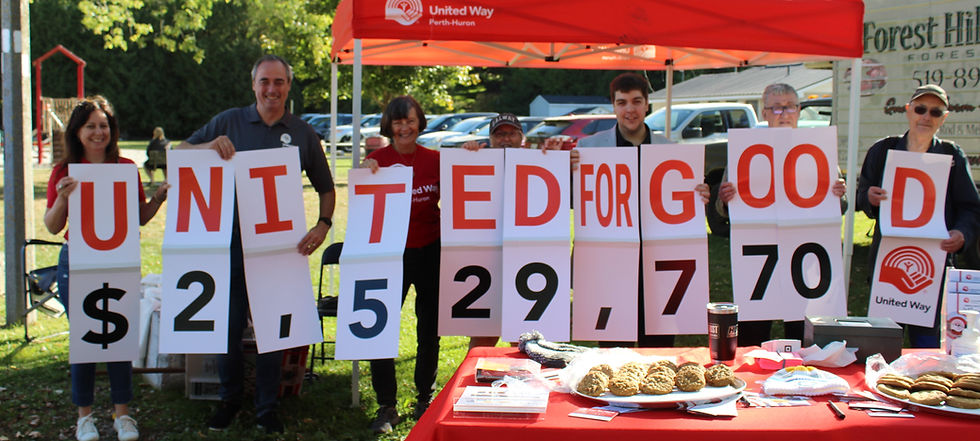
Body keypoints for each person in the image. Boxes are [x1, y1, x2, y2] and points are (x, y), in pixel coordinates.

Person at [177, 55, 336, 434]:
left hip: (278, 250)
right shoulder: (228, 121)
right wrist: (208, 148)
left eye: (279, 82)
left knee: (273, 332)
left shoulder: (301, 132)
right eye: (265, 81)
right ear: (253, 85)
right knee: (228, 329)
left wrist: (323, 225)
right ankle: (228, 401)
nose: (271, 89)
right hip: (228, 244)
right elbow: (179, 153)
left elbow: (327, 188)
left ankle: (267, 408)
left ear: (288, 86)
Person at [45, 96, 169, 441]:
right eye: (91, 126)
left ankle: (122, 414)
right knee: (85, 340)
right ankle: (84, 417)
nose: (99, 132)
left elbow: (139, 218)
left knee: (119, 339)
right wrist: (62, 198)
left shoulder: (126, 168)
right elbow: (53, 226)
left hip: (118, 261)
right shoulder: (65, 169)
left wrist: (157, 198)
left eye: (104, 125)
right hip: (78, 262)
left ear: (111, 130)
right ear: (78, 132)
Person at [577, 72, 708, 348]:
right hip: (610, 256)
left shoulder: (671, 151)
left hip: (659, 257)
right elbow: (568, 198)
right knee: (612, 346)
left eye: (636, 101)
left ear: (648, 104)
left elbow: (684, 204)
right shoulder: (587, 148)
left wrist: (698, 196)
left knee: (658, 342)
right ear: (613, 106)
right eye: (622, 102)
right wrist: (564, 168)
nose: (630, 110)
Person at [715, 83, 846, 346]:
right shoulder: (745, 149)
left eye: (789, 107)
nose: (783, 113)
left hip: (805, 252)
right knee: (754, 331)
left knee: (801, 329)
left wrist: (839, 194)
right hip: (758, 252)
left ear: (798, 111)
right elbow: (723, 208)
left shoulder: (818, 148)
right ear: (764, 113)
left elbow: (839, 206)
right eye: (776, 108)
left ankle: (802, 382)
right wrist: (725, 198)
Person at [857, 84, 980, 348]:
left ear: (943, 118)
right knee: (884, 346)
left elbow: (971, 207)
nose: (926, 116)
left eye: (935, 112)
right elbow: (861, 193)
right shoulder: (882, 150)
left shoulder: (951, 155)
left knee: (928, 347)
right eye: (920, 109)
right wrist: (869, 197)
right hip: (888, 264)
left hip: (933, 266)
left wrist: (962, 233)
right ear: (908, 111)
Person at [360, 95, 441, 433]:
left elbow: (469, 184)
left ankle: (425, 396)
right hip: (392, 253)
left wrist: (471, 156)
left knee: (430, 328)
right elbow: (365, 203)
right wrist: (365, 175)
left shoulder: (436, 160)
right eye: (397, 122)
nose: (404, 127)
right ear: (389, 126)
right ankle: (387, 405)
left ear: (419, 122)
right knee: (382, 330)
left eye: (409, 120)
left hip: (432, 249)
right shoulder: (377, 160)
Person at [462, 113, 566, 350]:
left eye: (511, 134)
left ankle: (530, 380)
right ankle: (474, 378)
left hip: (527, 259)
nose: (505, 139)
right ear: (490, 139)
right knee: (483, 334)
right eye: (499, 134)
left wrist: (560, 158)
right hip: (487, 259)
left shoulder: (538, 161)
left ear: (521, 137)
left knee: (525, 334)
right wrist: (464, 153)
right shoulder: (476, 161)